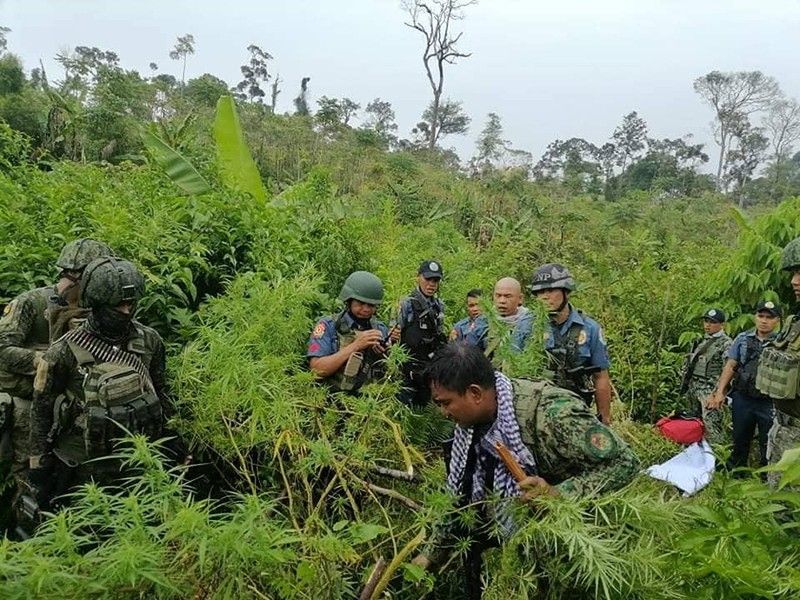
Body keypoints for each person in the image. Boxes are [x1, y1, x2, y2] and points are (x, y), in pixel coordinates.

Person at [413, 343, 639, 598]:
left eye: (445, 403)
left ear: (475, 393)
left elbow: (626, 463)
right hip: (528, 542)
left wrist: (559, 493)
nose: (443, 413)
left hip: (581, 541)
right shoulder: (471, 426)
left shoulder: (552, 415)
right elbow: (460, 494)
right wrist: (430, 554)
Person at [22, 257, 172, 530]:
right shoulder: (64, 351)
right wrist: (38, 467)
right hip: (80, 465)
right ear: (98, 303)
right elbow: (41, 409)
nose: (127, 311)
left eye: (131, 303)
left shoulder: (149, 341)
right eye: (118, 305)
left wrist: (172, 446)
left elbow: (164, 396)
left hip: (135, 463)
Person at [0, 238, 111, 532]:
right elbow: (3, 350)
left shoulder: (99, 311)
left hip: (68, 411)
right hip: (26, 405)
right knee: (28, 477)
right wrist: (45, 361)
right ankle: (23, 541)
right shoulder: (31, 303)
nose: (67, 285)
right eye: (67, 276)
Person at [529, 263, 613, 424]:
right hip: (536, 410)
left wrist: (604, 417)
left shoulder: (590, 329)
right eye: (540, 292)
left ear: (566, 292)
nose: (545, 296)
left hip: (576, 411)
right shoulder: (527, 326)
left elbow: (600, 376)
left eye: (551, 290)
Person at [708, 301, 780, 473]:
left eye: (769, 317)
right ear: (755, 317)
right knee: (739, 438)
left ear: (777, 320)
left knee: (768, 442)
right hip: (743, 398)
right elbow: (731, 366)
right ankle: (736, 474)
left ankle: (766, 477)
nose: (764, 321)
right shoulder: (742, 339)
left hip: (769, 401)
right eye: (761, 316)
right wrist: (720, 392)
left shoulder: (782, 342)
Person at [755, 237, 800, 485]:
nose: (794, 281)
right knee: (780, 509)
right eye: (794, 273)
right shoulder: (794, 322)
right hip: (783, 428)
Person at [307, 271, 389, 394]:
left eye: (371, 305)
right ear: (349, 301)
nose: (366, 309)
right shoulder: (328, 326)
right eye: (360, 303)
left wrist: (385, 353)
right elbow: (317, 370)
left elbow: (389, 372)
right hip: (332, 400)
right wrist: (356, 346)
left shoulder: (380, 329)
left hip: (367, 404)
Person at [390, 260, 447, 406]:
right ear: (418, 277)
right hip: (406, 371)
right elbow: (392, 338)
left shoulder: (439, 307)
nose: (431, 284)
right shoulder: (406, 304)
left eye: (435, 280)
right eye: (428, 279)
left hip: (428, 371)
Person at [679, 308, 732, 444]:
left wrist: (717, 393)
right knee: (693, 424)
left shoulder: (726, 344)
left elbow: (728, 370)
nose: (707, 325)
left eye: (712, 322)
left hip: (710, 391)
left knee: (712, 428)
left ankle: (718, 461)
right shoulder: (701, 341)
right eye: (706, 321)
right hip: (694, 388)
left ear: (722, 324)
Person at [474, 277, 534, 355]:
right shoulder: (483, 321)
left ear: (520, 298)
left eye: (508, 296)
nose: (502, 301)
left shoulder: (530, 321)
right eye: (498, 296)